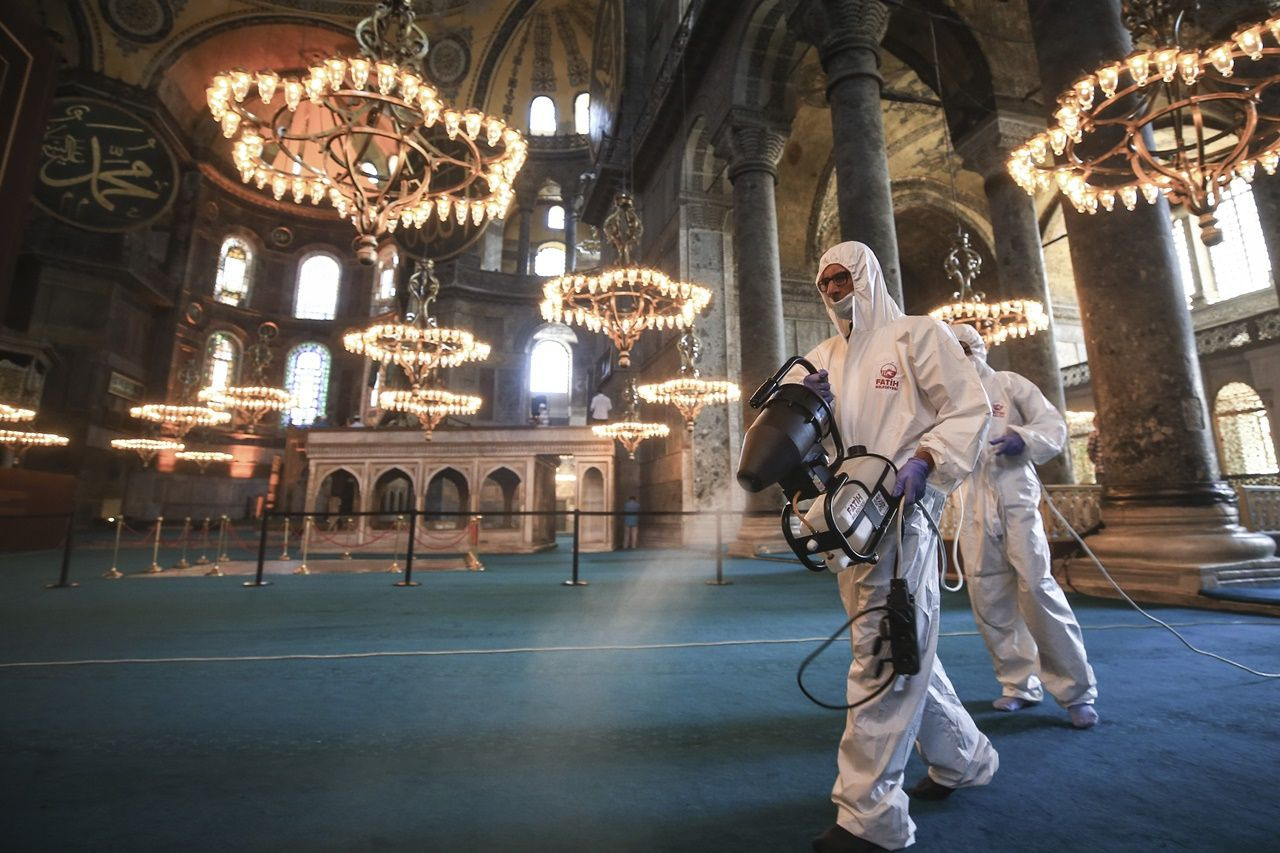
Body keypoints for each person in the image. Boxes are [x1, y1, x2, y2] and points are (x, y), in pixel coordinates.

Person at [800, 242, 998, 853]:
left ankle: (870, 816)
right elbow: (811, 441)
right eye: (825, 283)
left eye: (842, 279)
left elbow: (967, 407)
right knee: (899, 643)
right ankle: (965, 757)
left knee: (883, 651)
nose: (834, 291)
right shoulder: (821, 358)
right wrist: (807, 415)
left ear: (867, 278)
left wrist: (927, 459)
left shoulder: (917, 336)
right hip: (851, 521)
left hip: (907, 514)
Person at [948, 323, 1099, 730]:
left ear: (978, 349)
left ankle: (1075, 691)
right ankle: (1018, 683)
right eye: (951, 349)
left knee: (1037, 586)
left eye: (964, 348)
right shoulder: (944, 397)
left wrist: (1023, 437)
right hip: (971, 505)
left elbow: (1054, 427)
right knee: (988, 593)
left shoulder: (1010, 384)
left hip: (1015, 496)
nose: (959, 356)